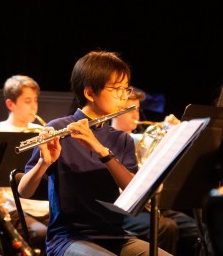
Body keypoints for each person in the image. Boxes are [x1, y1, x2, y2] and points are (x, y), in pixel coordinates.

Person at [17, 50, 171, 255]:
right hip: (68, 238)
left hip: (117, 236)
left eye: (125, 89)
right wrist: (43, 163)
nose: (123, 96)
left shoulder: (121, 139)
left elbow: (134, 191)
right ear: (89, 93)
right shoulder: (57, 129)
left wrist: (101, 151)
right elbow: (24, 191)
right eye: (116, 89)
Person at [112, 87, 212, 256]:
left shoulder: (145, 137)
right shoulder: (113, 140)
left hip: (155, 204)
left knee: (201, 230)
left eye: (138, 109)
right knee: (167, 227)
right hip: (126, 208)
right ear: (117, 111)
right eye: (131, 110)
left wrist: (176, 132)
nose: (136, 116)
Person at [0, 75, 49, 253]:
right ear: (10, 104)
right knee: (43, 234)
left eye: (35, 100)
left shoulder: (41, 131)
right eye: (27, 100)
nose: (34, 106)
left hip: (44, 207)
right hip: (15, 209)